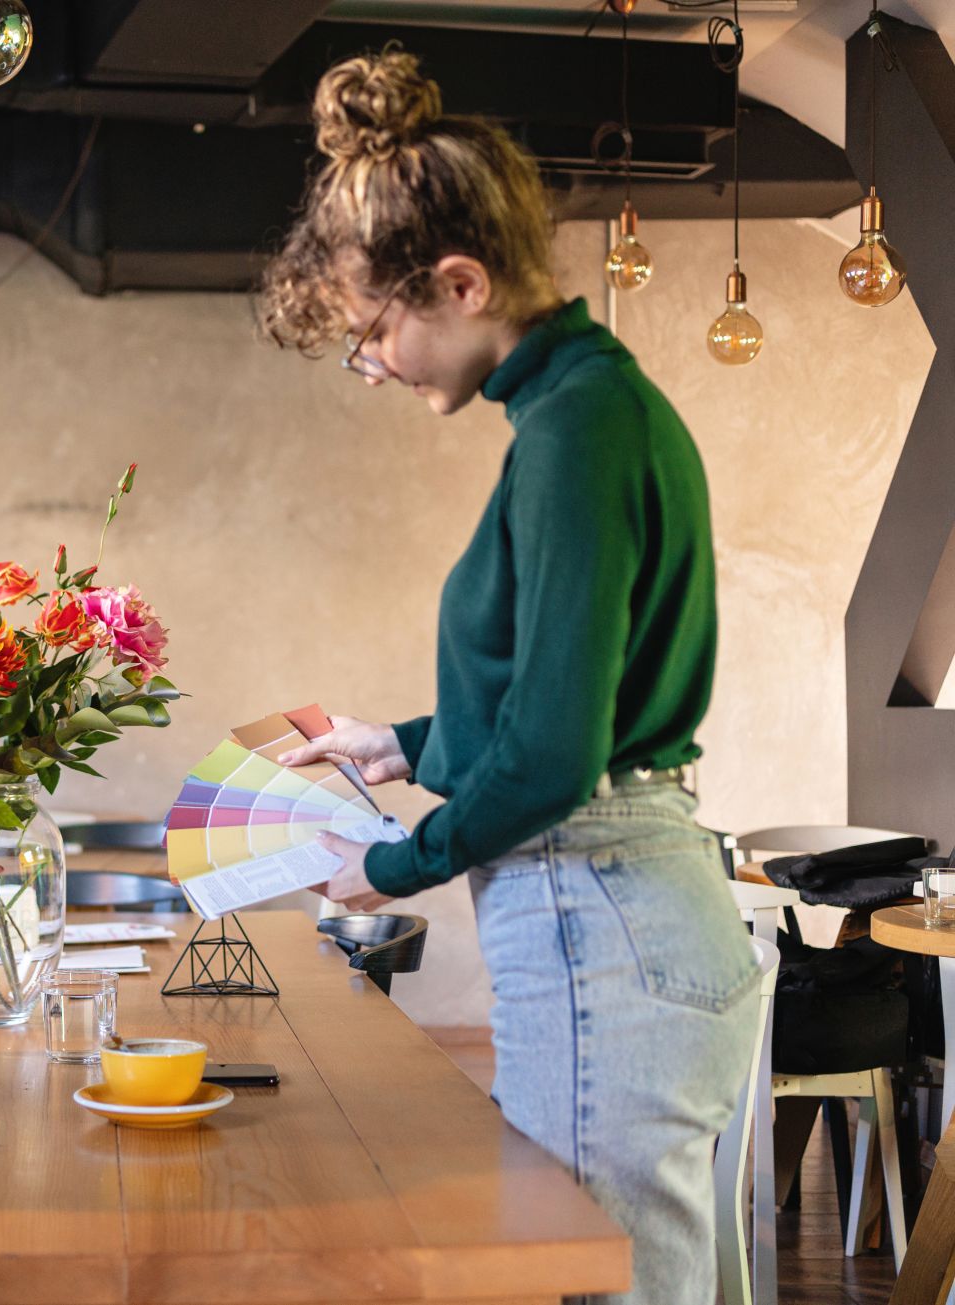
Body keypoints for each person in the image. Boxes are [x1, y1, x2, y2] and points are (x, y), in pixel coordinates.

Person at [260, 48, 757, 1305]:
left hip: (600, 904)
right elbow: (565, 691)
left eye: (373, 333)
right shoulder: (586, 409)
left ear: (461, 283)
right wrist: (407, 744)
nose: (372, 367)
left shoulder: (575, 431)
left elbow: (551, 753)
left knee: (604, 1286)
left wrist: (386, 865)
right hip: (629, 898)